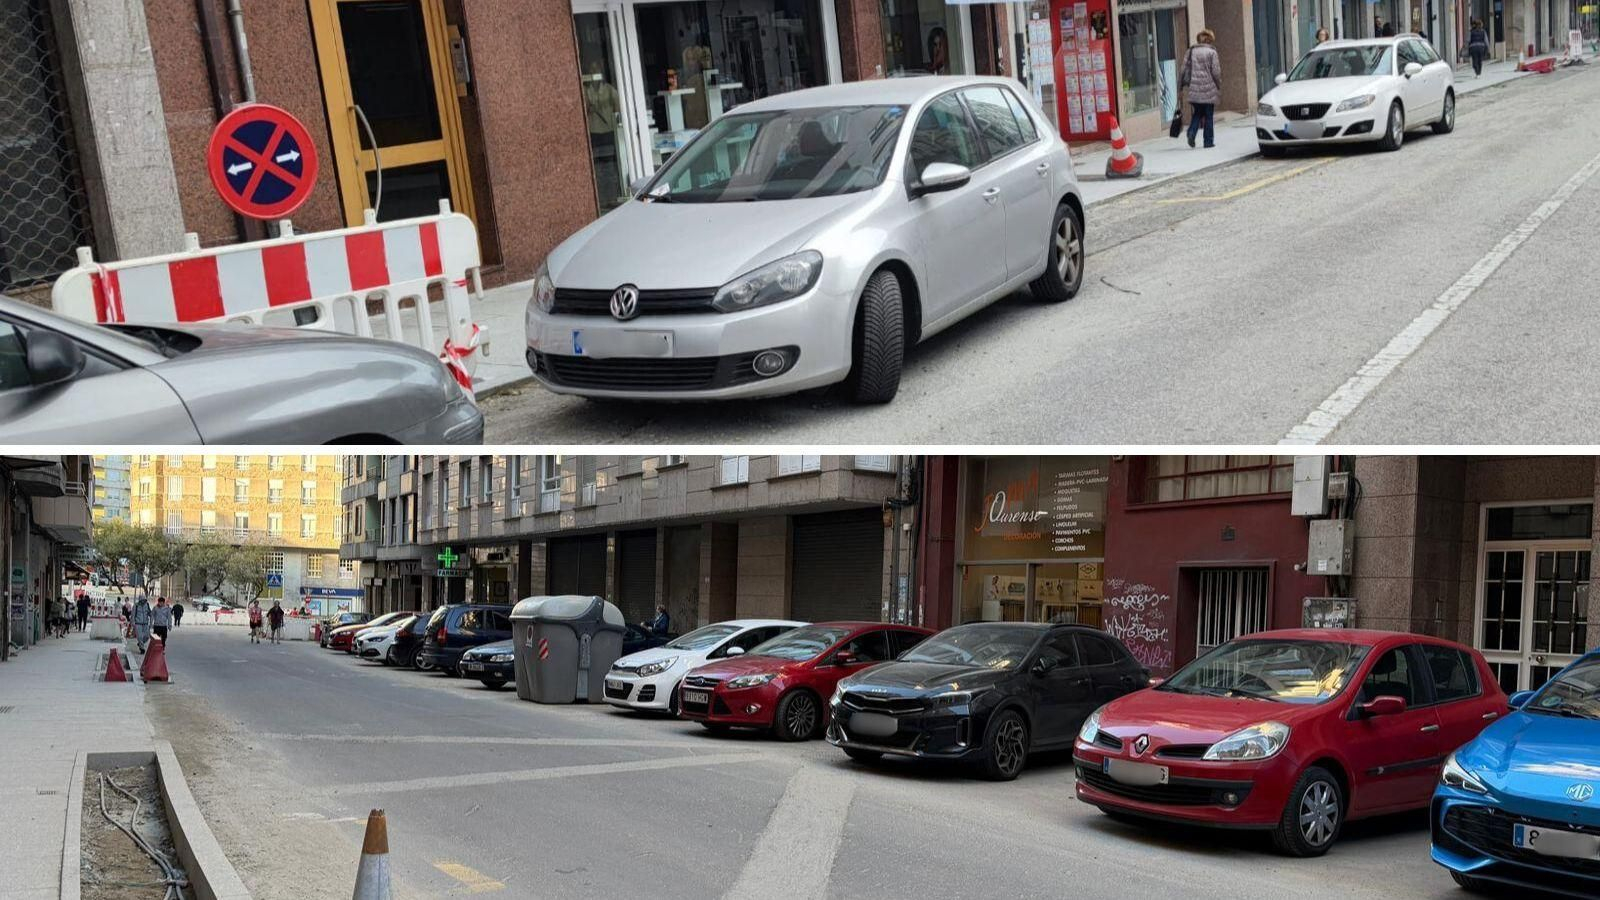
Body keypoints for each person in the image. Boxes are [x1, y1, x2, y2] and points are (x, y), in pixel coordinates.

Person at [1181, 29, 1223, 149]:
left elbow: (1184, 69)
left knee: (1197, 113)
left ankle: (1191, 132)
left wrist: (1181, 86)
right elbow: (1216, 72)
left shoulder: (1191, 51)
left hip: (1195, 89)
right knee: (1208, 115)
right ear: (1210, 40)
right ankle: (1208, 141)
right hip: (1209, 89)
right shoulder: (1212, 52)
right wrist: (1218, 85)